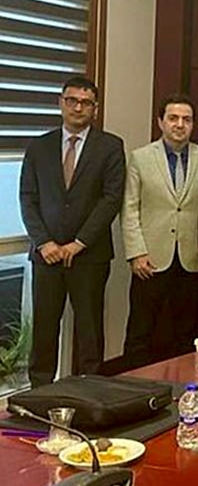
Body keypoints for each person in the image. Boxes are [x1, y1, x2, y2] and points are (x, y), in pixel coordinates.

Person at [19, 76, 125, 386]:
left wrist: (79, 242)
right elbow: (28, 197)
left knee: (89, 331)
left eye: (86, 102)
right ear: (61, 103)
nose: (78, 107)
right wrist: (44, 242)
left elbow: (111, 199)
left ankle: (88, 391)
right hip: (47, 256)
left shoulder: (110, 146)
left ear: (95, 108)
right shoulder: (39, 146)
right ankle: (39, 393)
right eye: (72, 101)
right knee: (44, 329)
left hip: (89, 256)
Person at [121, 94, 198, 365]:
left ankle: (181, 385)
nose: (180, 124)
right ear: (160, 122)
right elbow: (129, 208)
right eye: (173, 118)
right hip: (149, 259)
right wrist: (136, 253)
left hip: (191, 259)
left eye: (187, 119)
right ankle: (132, 384)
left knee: (186, 333)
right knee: (140, 331)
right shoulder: (140, 158)